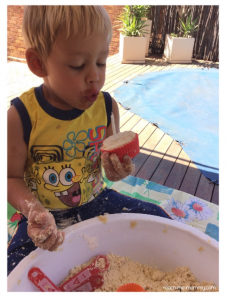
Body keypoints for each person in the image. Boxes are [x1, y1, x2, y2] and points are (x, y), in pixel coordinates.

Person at [7, 5, 171, 276]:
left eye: (102, 61)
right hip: (45, 218)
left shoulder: (106, 107)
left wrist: (116, 170)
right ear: (38, 63)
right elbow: (10, 178)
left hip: (97, 200)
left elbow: (108, 165)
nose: (95, 75)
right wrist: (33, 210)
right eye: (78, 65)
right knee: (14, 270)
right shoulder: (21, 117)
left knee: (159, 222)